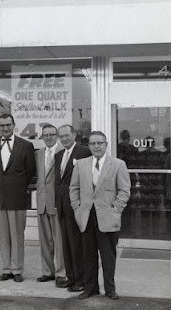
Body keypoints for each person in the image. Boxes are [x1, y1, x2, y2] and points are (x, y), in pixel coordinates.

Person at [70, 131, 131, 300]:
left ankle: (110, 289)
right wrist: (77, 208)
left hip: (107, 217)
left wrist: (116, 210)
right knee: (88, 255)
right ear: (88, 146)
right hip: (86, 217)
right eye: (93, 144)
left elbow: (125, 190)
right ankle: (91, 288)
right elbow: (73, 188)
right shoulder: (81, 164)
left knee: (108, 256)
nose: (96, 147)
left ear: (106, 144)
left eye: (100, 143)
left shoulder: (118, 164)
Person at [0, 114, 36, 283]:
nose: (6, 128)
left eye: (8, 125)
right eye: (2, 125)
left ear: (14, 125)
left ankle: (17, 269)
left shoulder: (26, 145)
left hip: (17, 197)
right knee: (4, 235)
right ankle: (6, 268)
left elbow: (30, 171)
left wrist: (18, 186)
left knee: (17, 235)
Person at [54, 124, 91, 292]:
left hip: (77, 206)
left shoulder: (84, 152)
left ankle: (81, 280)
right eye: (61, 136)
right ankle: (71, 277)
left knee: (77, 244)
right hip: (62, 206)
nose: (64, 139)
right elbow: (59, 181)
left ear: (74, 135)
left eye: (67, 135)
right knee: (66, 245)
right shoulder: (59, 155)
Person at [34, 124, 66, 286]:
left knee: (58, 240)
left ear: (57, 136)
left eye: (52, 134)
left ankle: (61, 272)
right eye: (45, 135)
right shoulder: (39, 154)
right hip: (41, 201)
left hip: (56, 202)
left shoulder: (63, 152)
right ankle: (48, 271)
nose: (48, 137)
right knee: (45, 240)